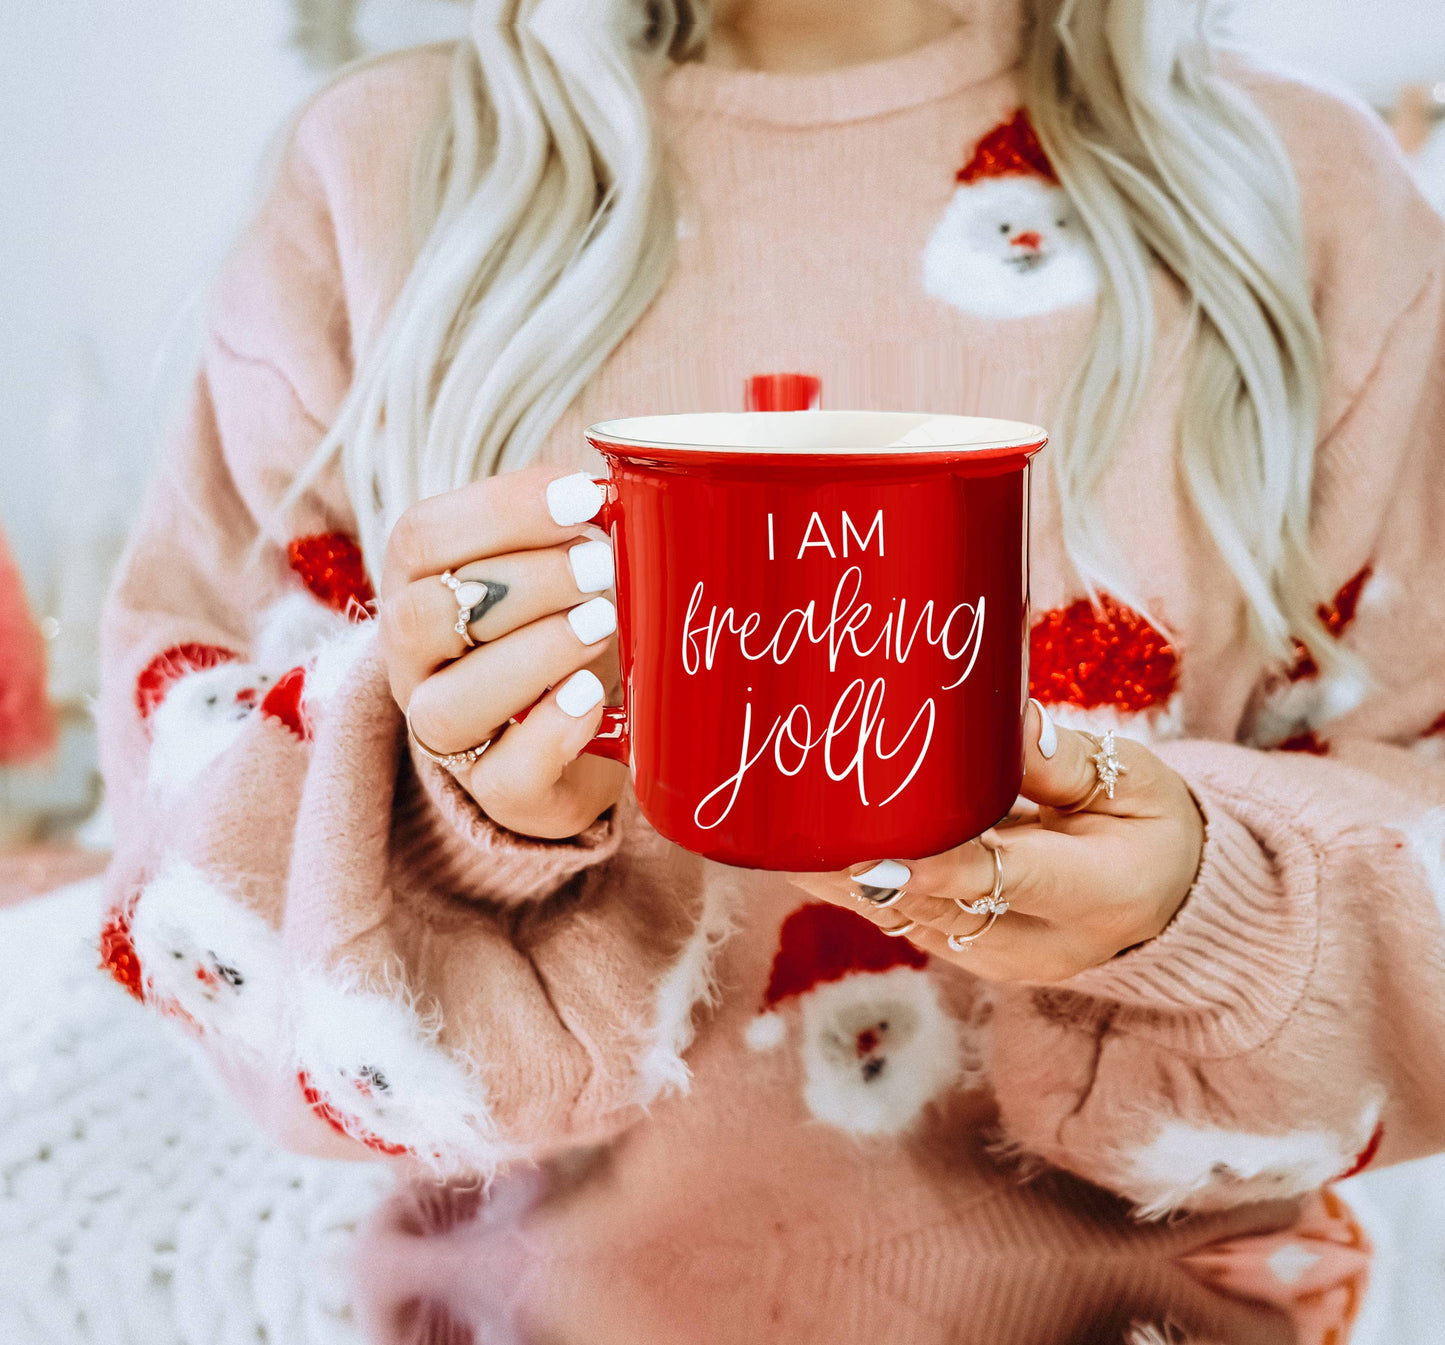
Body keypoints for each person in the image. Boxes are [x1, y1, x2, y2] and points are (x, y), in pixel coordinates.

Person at [99, 0, 1445, 1239]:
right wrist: (447, 830)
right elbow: (209, 940)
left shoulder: (1296, 194)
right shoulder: (384, 180)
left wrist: (1211, 909)